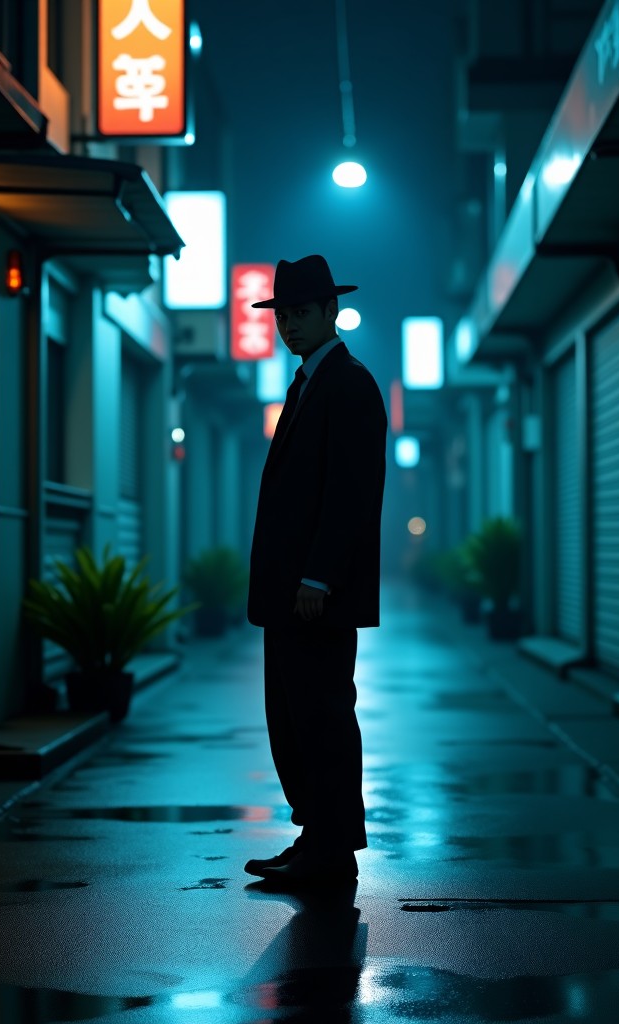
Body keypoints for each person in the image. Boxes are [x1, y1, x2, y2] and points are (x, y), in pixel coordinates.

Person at [244, 254, 387, 887]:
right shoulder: (310, 381)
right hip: (293, 591)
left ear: (331, 312)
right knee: (296, 715)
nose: (290, 325)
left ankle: (332, 852)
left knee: (322, 713)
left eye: (302, 313)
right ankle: (318, 838)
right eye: (283, 315)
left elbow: (352, 494)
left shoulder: (347, 383)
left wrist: (319, 577)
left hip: (314, 594)